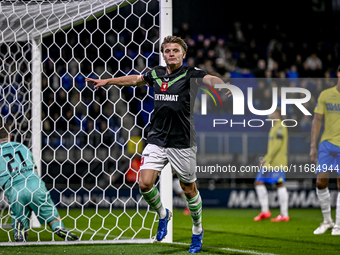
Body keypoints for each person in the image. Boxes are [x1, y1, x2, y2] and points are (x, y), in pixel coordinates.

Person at [86, 35, 228, 253]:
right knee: (144, 183)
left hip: (182, 142)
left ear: (183, 54)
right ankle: (164, 214)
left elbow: (210, 79)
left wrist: (221, 85)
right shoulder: (156, 73)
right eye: (167, 51)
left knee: (189, 190)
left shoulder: (191, 74)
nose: (171, 54)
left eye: (175, 50)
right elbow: (135, 79)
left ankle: (197, 230)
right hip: (157, 139)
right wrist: (108, 81)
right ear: (163, 54)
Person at [0, 120, 79, 242]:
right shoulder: (23, 147)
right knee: (50, 214)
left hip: (15, 189)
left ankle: (21, 232)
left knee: (19, 217)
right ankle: (59, 227)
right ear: (10, 135)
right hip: (34, 184)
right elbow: (35, 171)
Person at [310, 65, 340, 235]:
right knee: (321, 182)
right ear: (338, 74)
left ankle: (339, 224)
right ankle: (327, 220)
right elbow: (317, 120)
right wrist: (313, 145)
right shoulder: (326, 95)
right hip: (326, 145)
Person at [254, 108, 289, 222]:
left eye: (271, 112)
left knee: (279, 184)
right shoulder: (274, 127)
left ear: (277, 114)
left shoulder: (280, 127)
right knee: (258, 182)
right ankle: (265, 211)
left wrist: (265, 159)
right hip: (270, 163)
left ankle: (284, 214)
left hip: (277, 162)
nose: (268, 114)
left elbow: (277, 145)